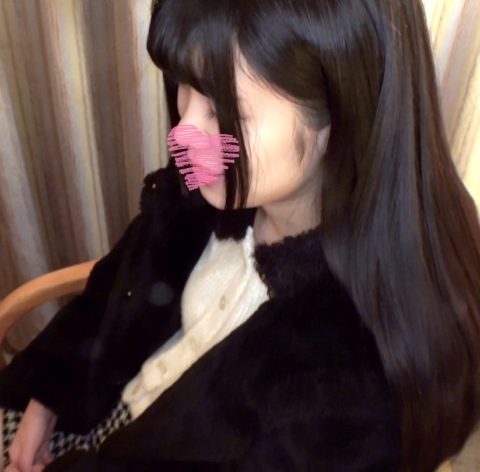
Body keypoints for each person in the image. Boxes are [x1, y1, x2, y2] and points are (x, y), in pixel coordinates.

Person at [1, 0, 480, 470]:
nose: (182, 133)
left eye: (221, 108)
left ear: (338, 113)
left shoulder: (353, 392)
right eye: (183, 85)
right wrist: (49, 389)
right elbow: (120, 282)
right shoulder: (217, 181)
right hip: (99, 397)